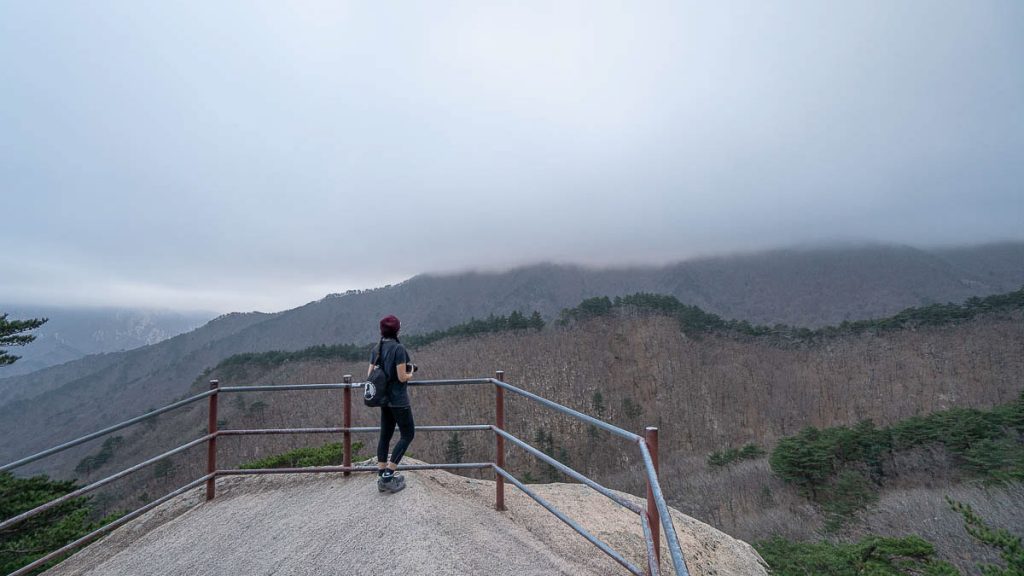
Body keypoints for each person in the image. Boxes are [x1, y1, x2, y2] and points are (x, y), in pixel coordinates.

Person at [369, 314, 416, 493]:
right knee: (408, 434)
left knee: (385, 436)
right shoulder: (399, 349)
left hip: (383, 400)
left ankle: (382, 475)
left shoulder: (376, 349)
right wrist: (411, 374)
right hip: (398, 401)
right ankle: (389, 475)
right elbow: (402, 376)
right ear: (397, 330)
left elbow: (370, 374)